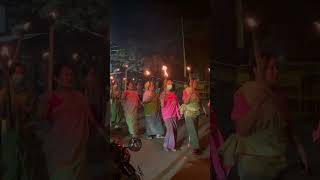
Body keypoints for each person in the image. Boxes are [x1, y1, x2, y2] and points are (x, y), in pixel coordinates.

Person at [219, 53, 309, 180]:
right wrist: (257, 106)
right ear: (257, 71)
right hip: (254, 164)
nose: (276, 71)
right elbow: (242, 130)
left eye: (276, 67)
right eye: (270, 68)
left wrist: (301, 151)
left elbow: (288, 126)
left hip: (278, 162)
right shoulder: (246, 93)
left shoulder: (279, 96)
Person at [40, 63, 105, 180]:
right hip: (58, 152)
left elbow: (91, 119)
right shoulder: (50, 98)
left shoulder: (80, 97)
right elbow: (42, 121)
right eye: (65, 75)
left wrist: (101, 133)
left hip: (78, 152)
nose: (69, 78)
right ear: (56, 78)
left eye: (71, 75)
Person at [181, 79, 202, 155]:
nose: (196, 84)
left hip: (196, 113)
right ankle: (196, 147)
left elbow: (200, 102)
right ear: (190, 83)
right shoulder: (186, 90)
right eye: (194, 82)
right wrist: (190, 94)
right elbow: (185, 102)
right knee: (192, 130)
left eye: (197, 83)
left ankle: (191, 142)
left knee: (195, 129)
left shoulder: (197, 92)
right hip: (189, 113)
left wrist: (203, 110)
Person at [209, 101, 229, 180]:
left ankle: (221, 175)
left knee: (217, 158)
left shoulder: (213, 110)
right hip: (215, 134)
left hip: (214, 134)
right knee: (217, 157)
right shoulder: (212, 110)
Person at [160, 80, 181, 152]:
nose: (170, 85)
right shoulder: (163, 94)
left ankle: (172, 146)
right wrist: (163, 100)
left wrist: (175, 102)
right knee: (170, 131)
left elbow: (176, 102)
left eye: (171, 84)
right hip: (166, 115)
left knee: (174, 130)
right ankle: (166, 145)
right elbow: (162, 106)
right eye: (169, 83)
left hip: (173, 114)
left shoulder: (173, 94)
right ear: (165, 85)